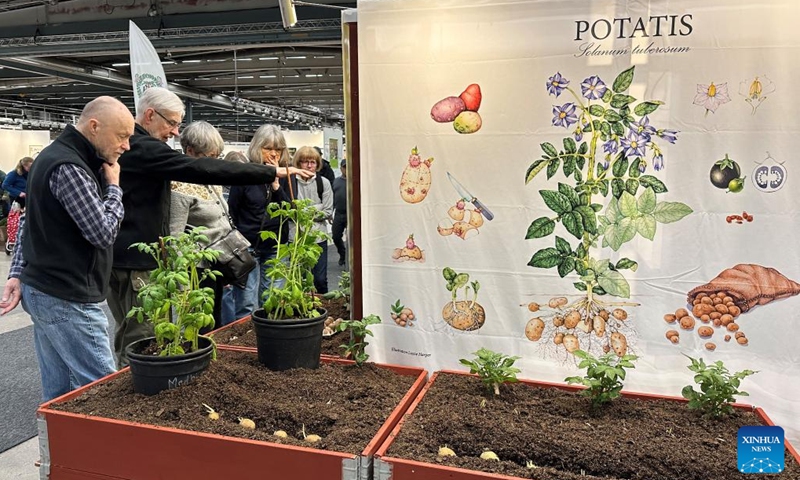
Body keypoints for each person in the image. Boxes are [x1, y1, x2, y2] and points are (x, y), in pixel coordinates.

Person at [108, 87, 314, 367]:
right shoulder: (143, 147)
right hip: (138, 262)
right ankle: (132, 390)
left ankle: (129, 382)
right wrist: (271, 171)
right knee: (144, 336)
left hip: (126, 257)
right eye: (171, 123)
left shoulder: (132, 146)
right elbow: (201, 171)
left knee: (135, 331)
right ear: (149, 115)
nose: (175, 132)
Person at [0, 96, 134, 401]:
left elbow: (28, 223)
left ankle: (60, 448)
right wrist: (114, 187)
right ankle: (104, 448)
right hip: (66, 295)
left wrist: (18, 272)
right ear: (94, 126)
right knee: (104, 389)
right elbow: (103, 233)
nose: (125, 146)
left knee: (60, 392)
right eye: (122, 136)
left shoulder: (52, 157)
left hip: (45, 289)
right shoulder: (70, 167)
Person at [227, 125, 292, 323]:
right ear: (257, 148)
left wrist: (276, 186)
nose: (273, 154)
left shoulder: (284, 175)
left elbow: (289, 211)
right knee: (245, 303)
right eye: (268, 148)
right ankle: (244, 343)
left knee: (272, 299)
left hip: (276, 247)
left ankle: (270, 340)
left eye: (278, 149)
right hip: (248, 248)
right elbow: (233, 211)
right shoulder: (245, 175)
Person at [169, 121, 229, 329]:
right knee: (199, 324)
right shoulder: (179, 186)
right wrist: (182, 284)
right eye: (209, 157)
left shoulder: (210, 179)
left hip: (217, 262)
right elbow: (174, 236)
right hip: (196, 267)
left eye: (216, 157)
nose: (214, 162)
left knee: (215, 319)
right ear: (190, 151)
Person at [288, 146, 333, 294]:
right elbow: (289, 211)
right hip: (296, 239)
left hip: (318, 238)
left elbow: (327, 211)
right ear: (298, 163)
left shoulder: (323, 183)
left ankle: (325, 309)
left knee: (320, 279)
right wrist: (316, 208)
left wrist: (302, 212)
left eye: (313, 162)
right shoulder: (290, 182)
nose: (309, 165)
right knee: (298, 278)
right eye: (305, 162)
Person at [332, 158, 347, 266]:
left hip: (351, 214)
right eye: (345, 167)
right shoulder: (336, 181)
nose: (347, 169)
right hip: (339, 213)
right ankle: (343, 254)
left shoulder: (356, 180)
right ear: (341, 168)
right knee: (336, 236)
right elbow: (332, 198)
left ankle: (351, 258)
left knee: (352, 238)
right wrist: (329, 213)